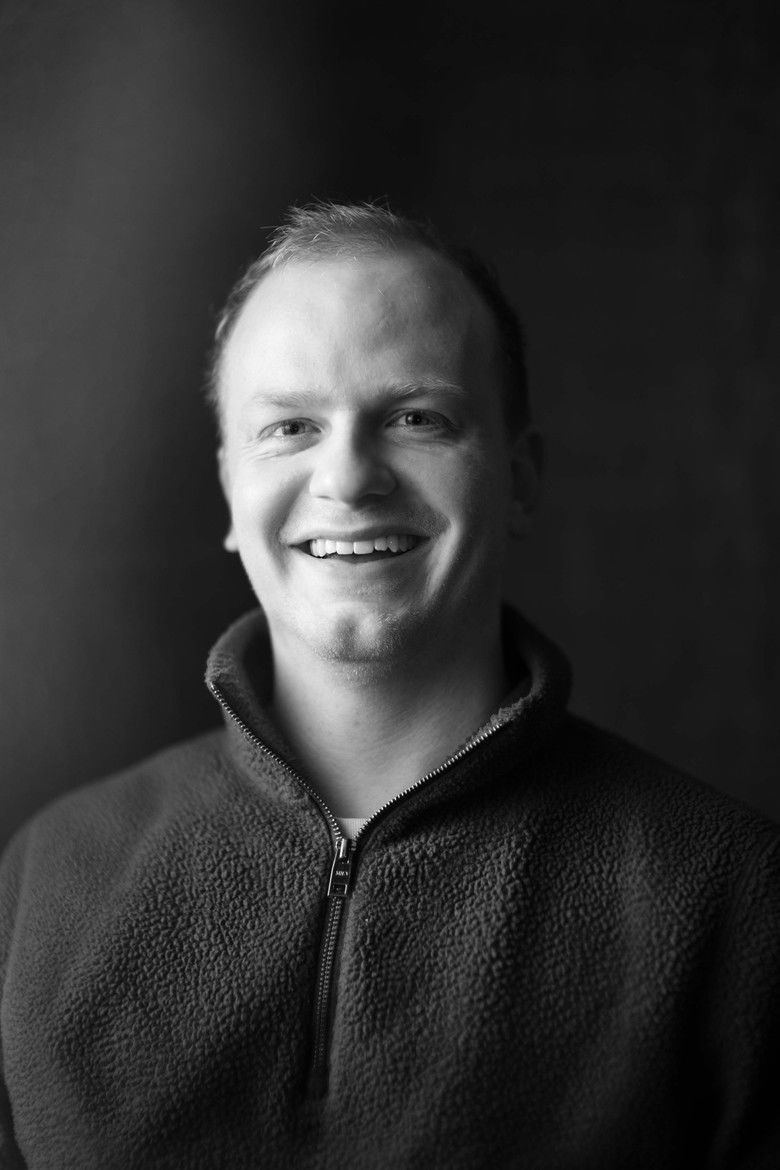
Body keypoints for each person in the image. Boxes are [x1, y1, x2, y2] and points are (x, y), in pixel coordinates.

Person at [0, 202, 778, 1170]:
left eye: (416, 419)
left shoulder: (733, 902)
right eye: (290, 427)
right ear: (231, 490)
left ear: (521, 479)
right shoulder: (45, 883)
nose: (348, 478)